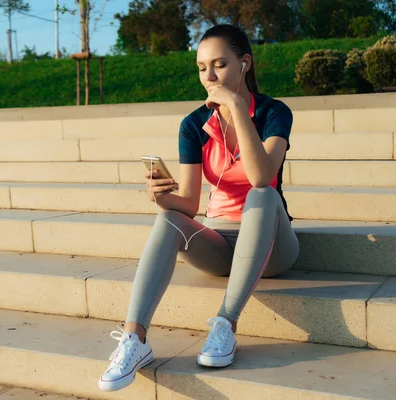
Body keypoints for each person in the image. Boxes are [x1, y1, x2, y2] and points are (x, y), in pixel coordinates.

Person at [98, 24, 299, 392]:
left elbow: (261, 176)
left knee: (262, 194)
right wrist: (160, 195)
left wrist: (237, 106)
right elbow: (189, 203)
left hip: (272, 243)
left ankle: (225, 323)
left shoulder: (274, 112)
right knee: (169, 218)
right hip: (220, 243)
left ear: (244, 63)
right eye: (202, 67)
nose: (209, 76)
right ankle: (134, 339)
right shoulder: (194, 125)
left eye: (220, 64)